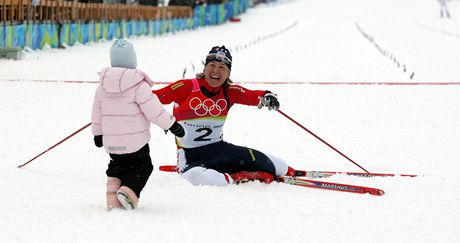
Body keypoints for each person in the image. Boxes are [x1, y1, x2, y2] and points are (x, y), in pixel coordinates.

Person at [153, 45, 298, 186]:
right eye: (212, 65)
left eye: (222, 67)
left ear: (228, 73)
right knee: (199, 177)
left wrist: (265, 96)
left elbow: (250, 95)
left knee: (278, 165)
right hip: (191, 157)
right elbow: (150, 100)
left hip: (219, 150)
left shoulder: (229, 91)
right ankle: (236, 177)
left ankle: (289, 172)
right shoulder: (186, 87)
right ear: (205, 68)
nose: (216, 70)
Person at [91, 39, 185, 210]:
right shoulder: (138, 85)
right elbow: (154, 111)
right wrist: (172, 125)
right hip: (135, 143)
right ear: (133, 61)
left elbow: (96, 114)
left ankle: (112, 199)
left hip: (112, 144)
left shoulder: (102, 86)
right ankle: (129, 192)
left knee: (117, 166)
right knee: (143, 166)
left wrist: (98, 134)